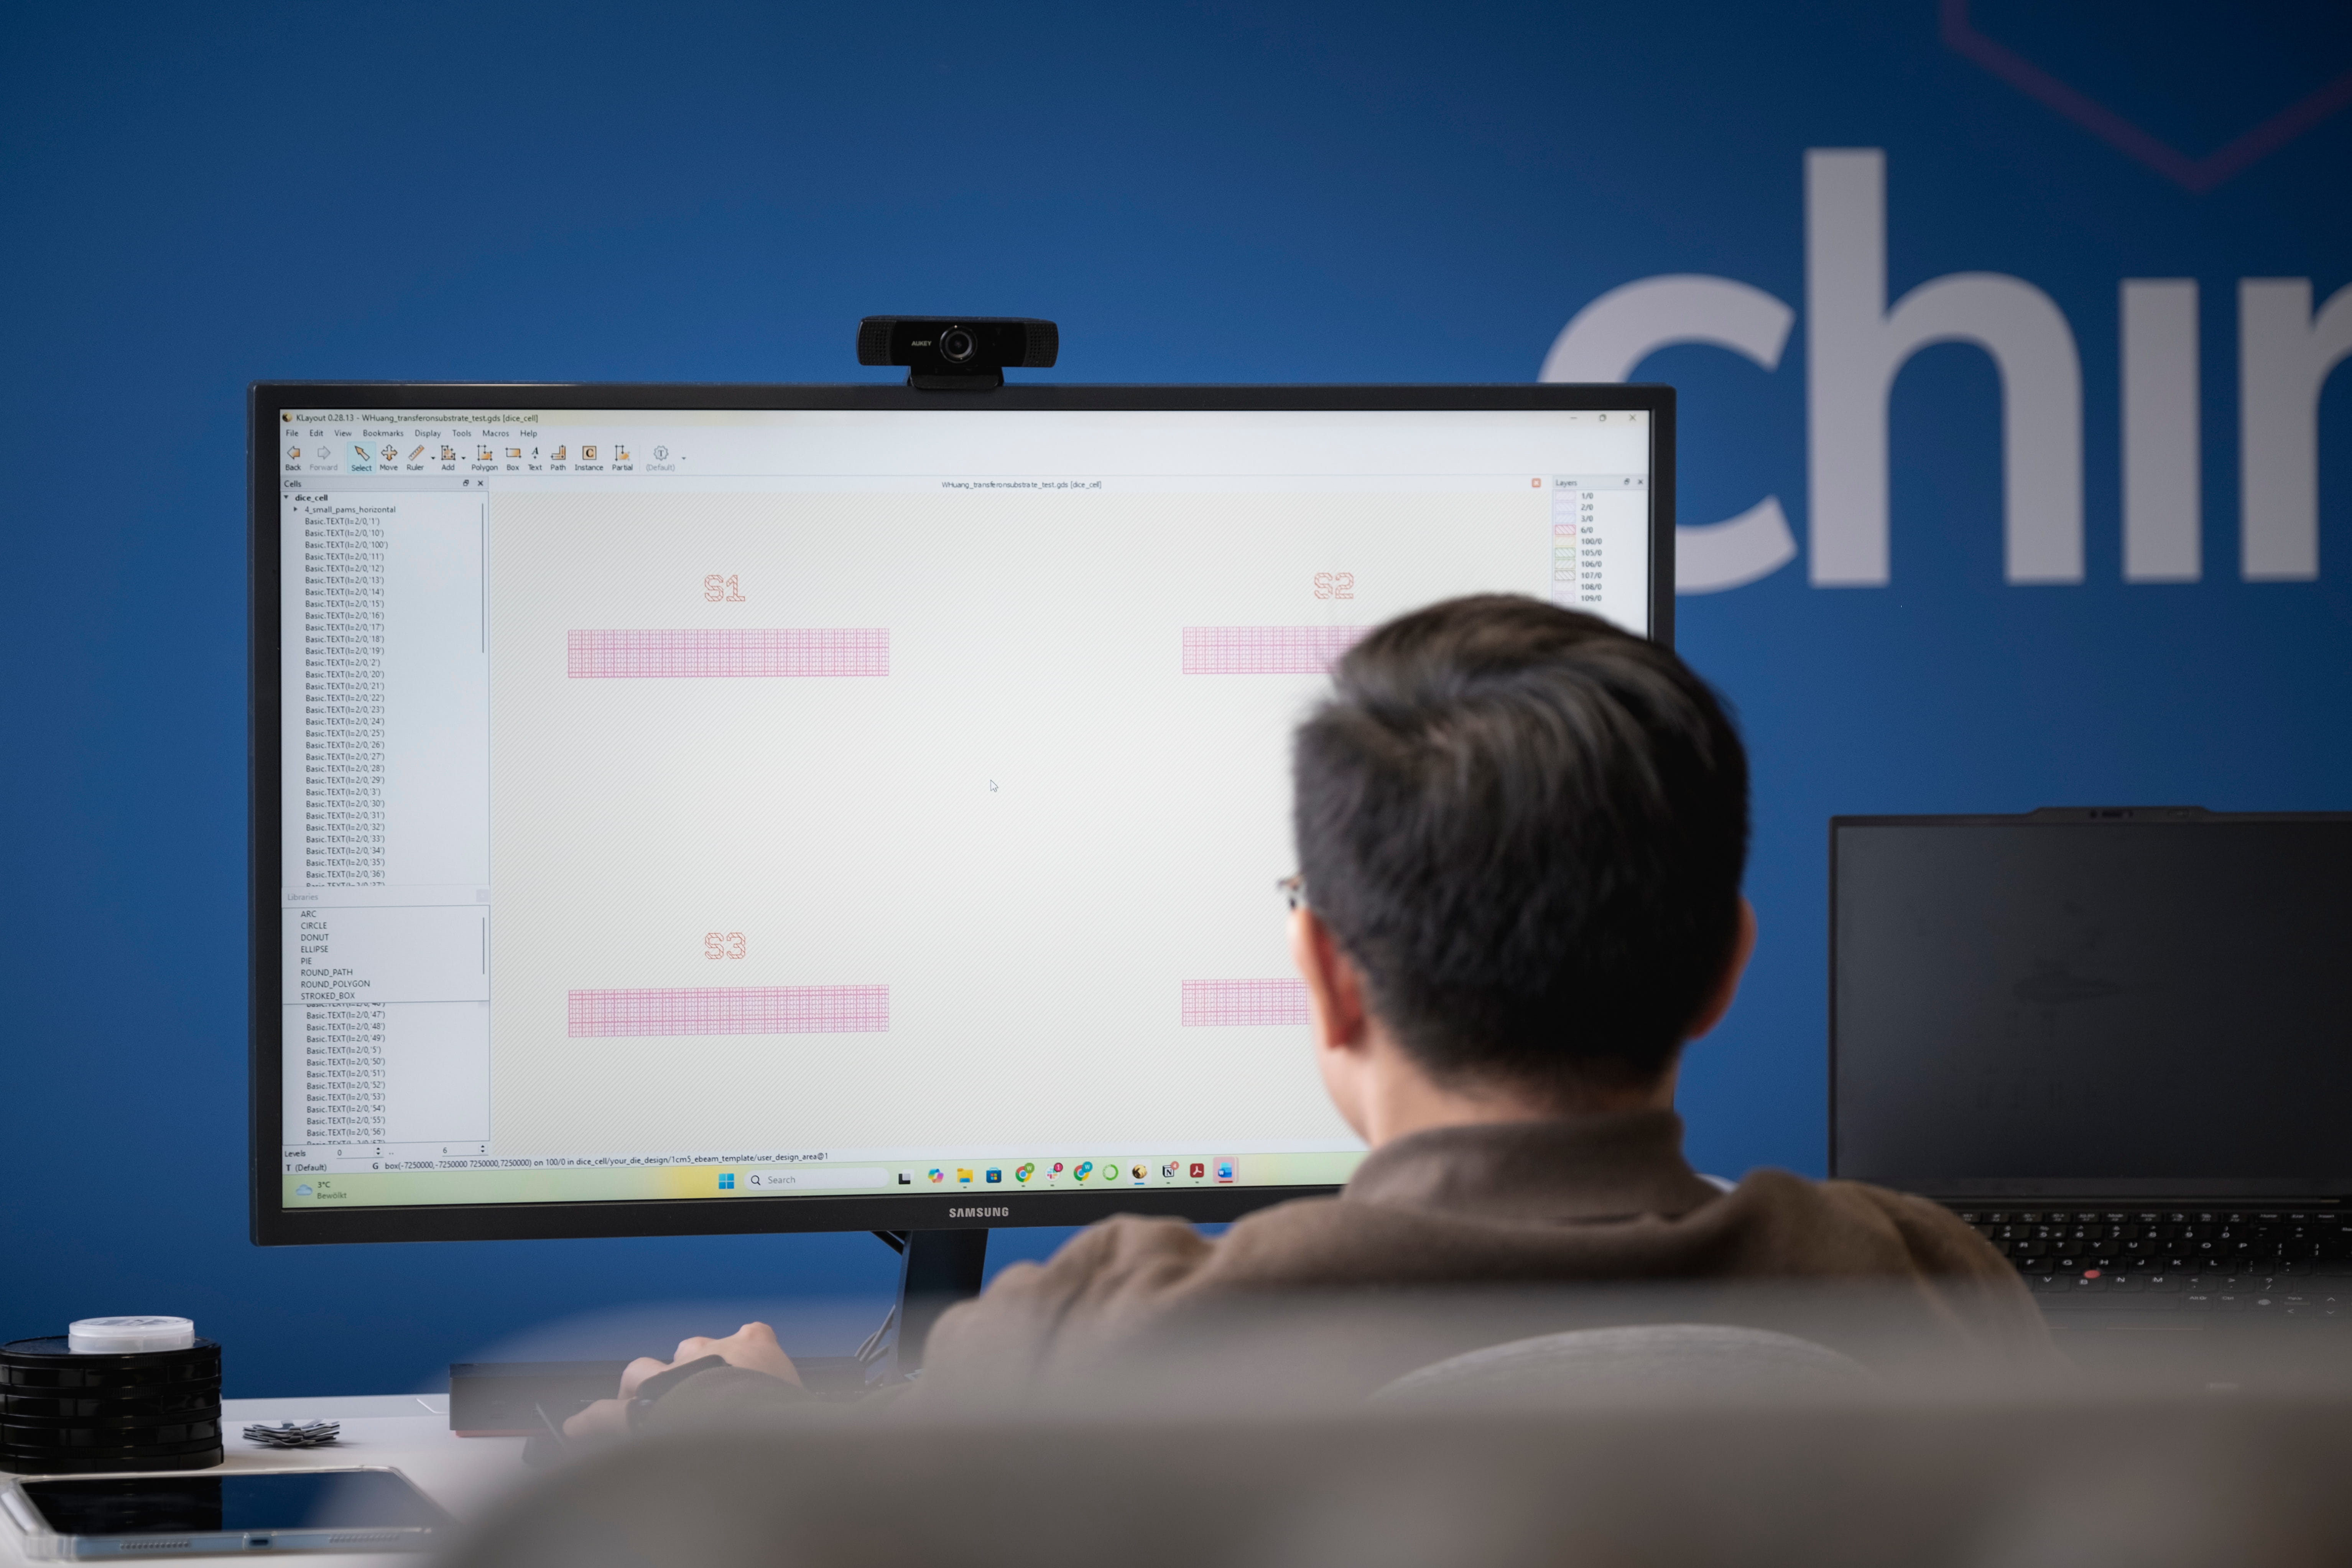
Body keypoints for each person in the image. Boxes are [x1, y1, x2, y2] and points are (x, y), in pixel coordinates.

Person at [571, 594, 2042, 1433]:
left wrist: (722, 1432)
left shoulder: (1111, 1334)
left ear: (1328, 977)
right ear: (1727, 966)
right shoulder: (1921, 1283)